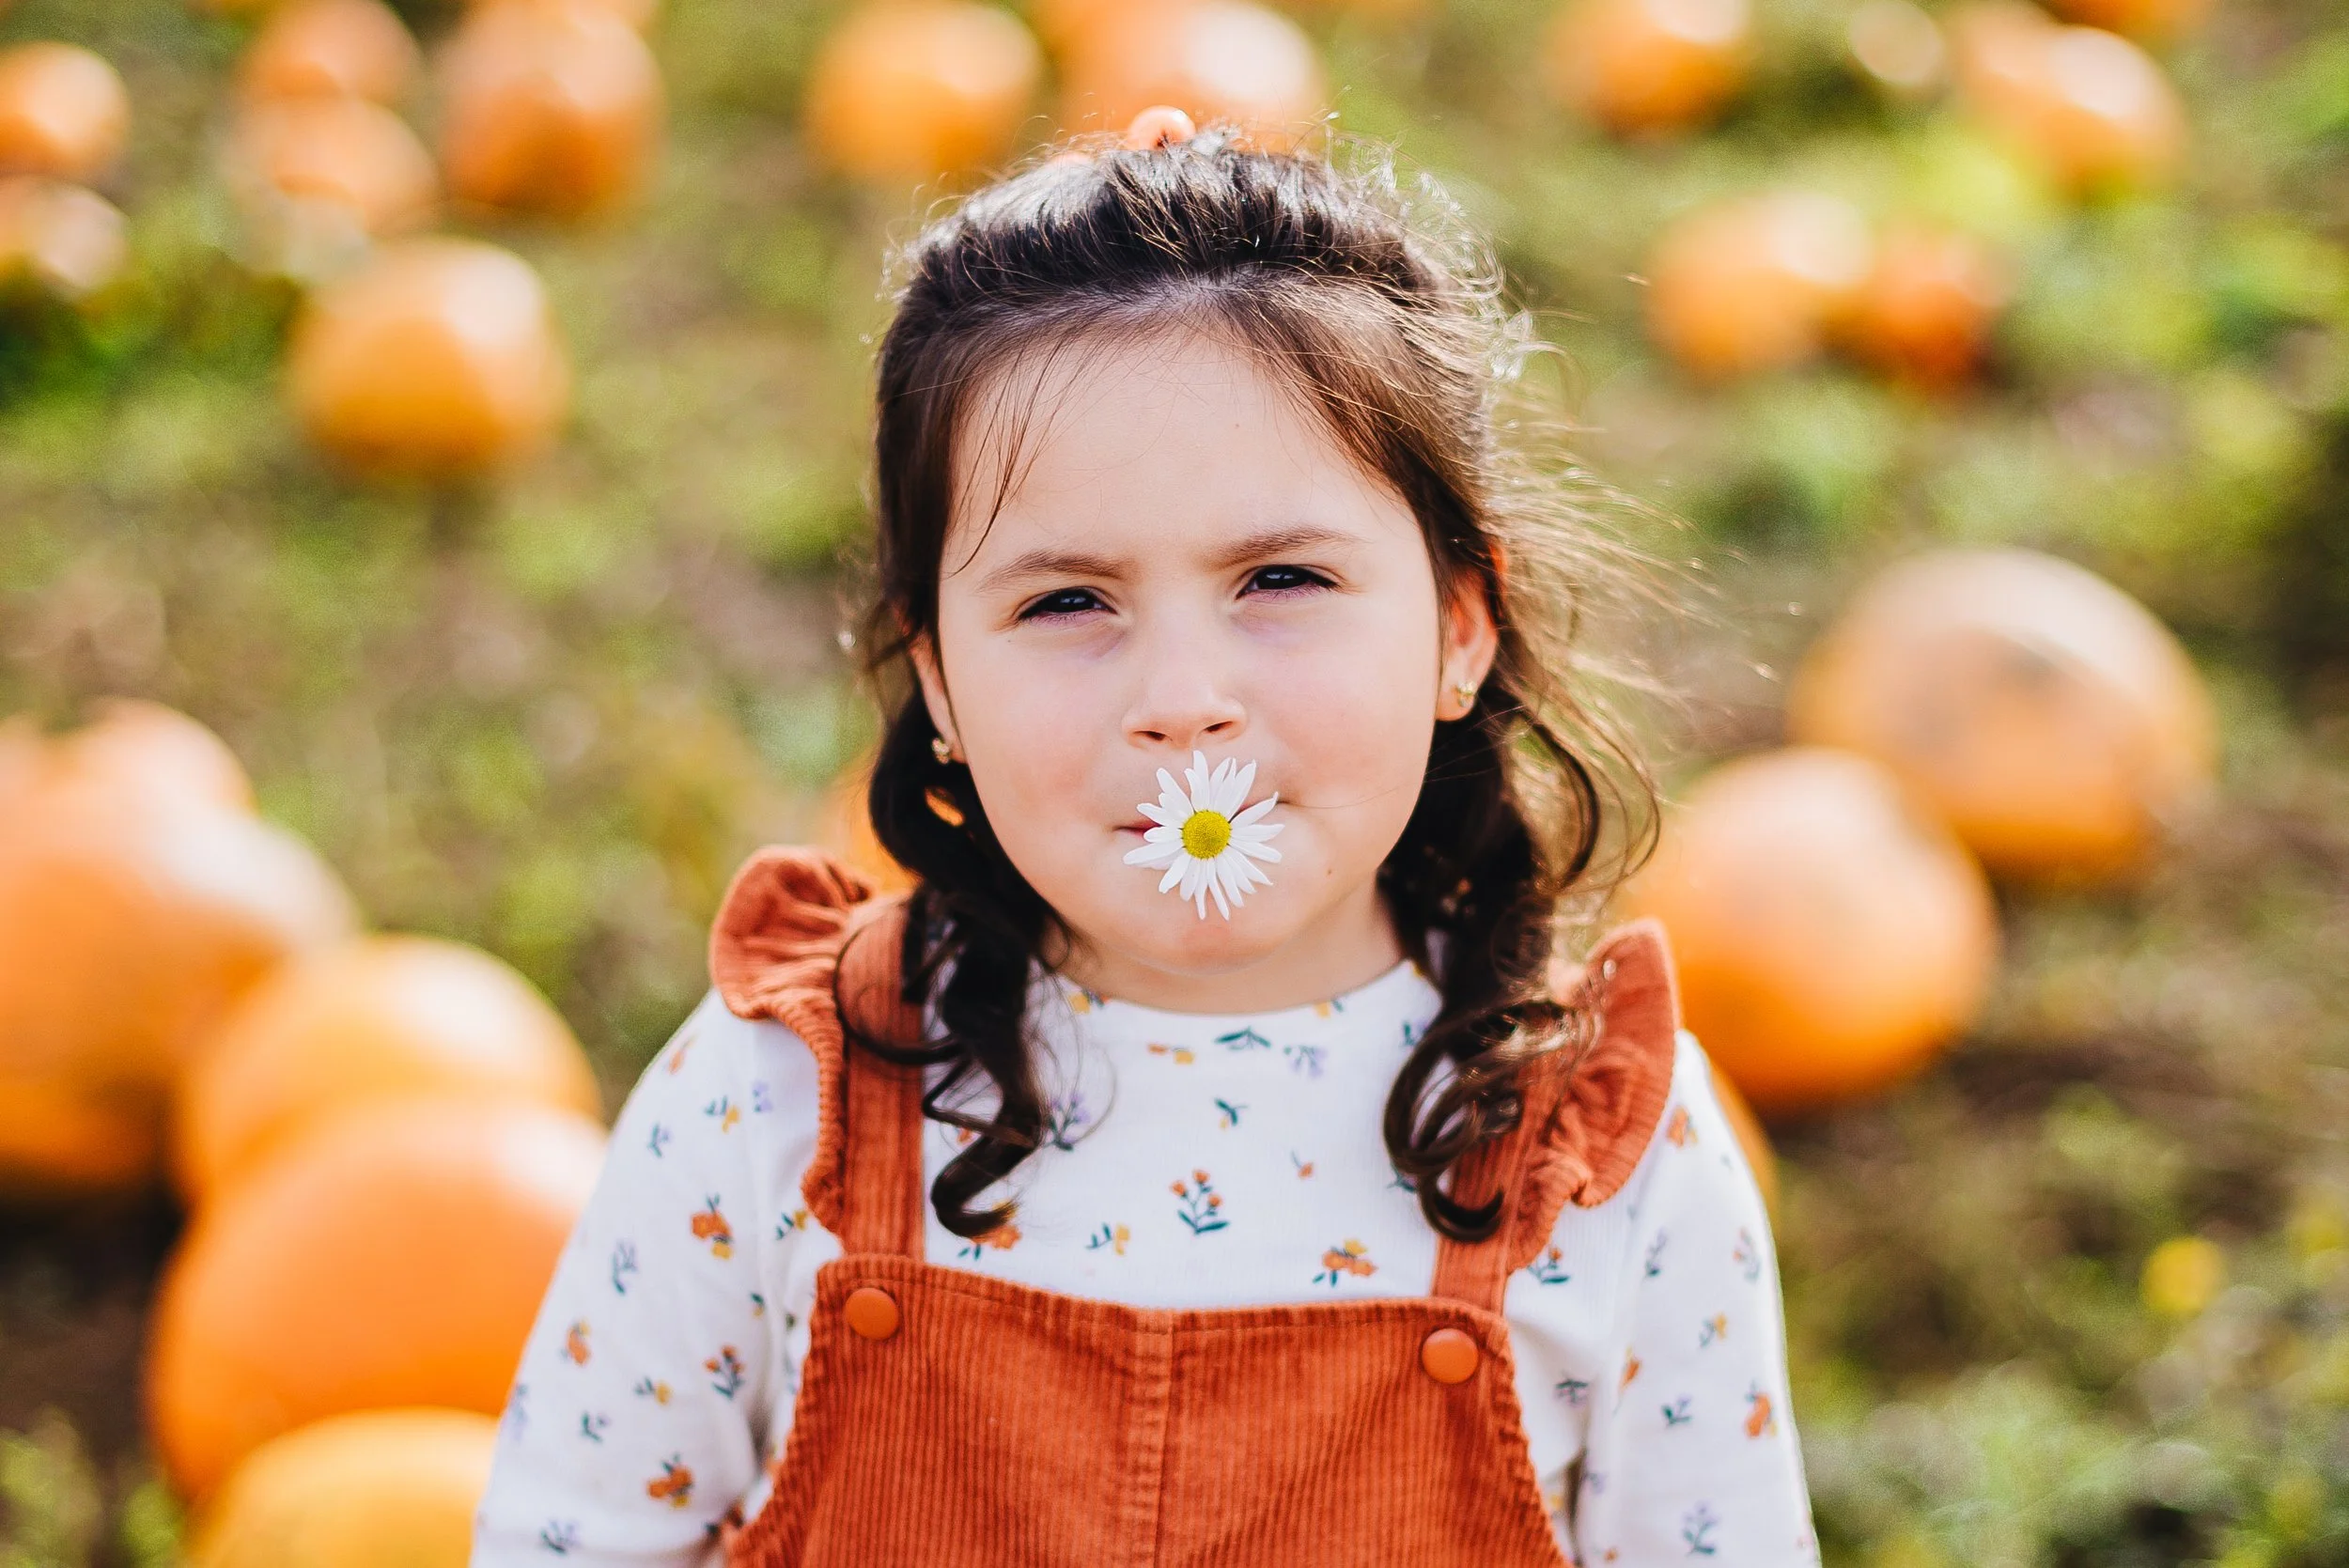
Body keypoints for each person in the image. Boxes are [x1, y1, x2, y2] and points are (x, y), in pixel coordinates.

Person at [472, 111, 1816, 1568]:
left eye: (1283, 580)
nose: (1185, 705)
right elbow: (574, 1538)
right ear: (941, 685)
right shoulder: (770, 1105)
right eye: (1068, 604)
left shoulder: (1607, 1154)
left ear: (1457, 628)